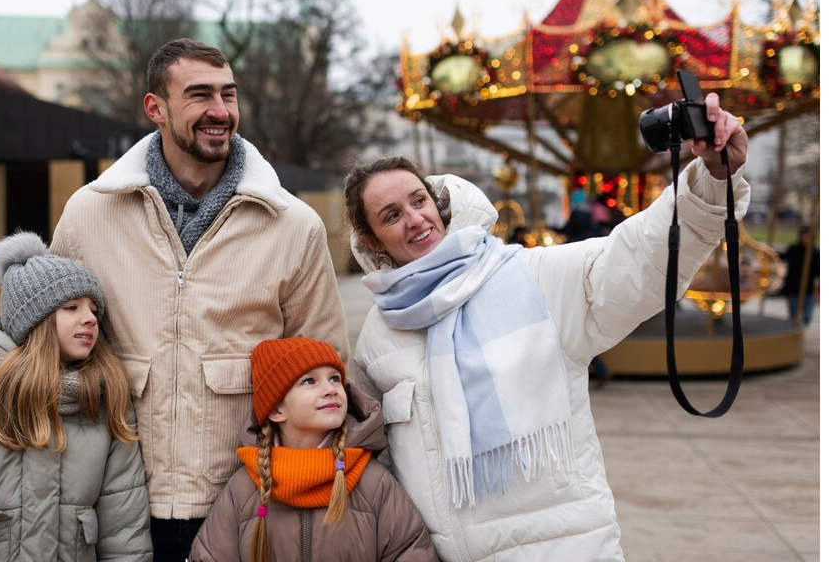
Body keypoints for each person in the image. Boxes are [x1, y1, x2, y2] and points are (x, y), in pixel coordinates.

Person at [0, 39, 348, 560]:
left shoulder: (294, 224)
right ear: (155, 108)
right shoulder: (91, 210)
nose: (220, 112)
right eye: (199, 95)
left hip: (244, 500)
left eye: (229, 95)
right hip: (113, 500)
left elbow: (327, 360)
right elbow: (32, 320)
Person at [343, 94, 749, 560]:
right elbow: (381, 463)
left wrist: (713, 180)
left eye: (419, 201)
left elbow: (637, 255)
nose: (415, 220)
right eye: (392, 215)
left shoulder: (532, 276)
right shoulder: (379, 332)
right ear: (372, 240)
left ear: (439, 204)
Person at [0, 232, 152, 561]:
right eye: (71, 307)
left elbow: (124, 529)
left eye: (93, 309)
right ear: (37, 321)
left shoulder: (107, 404)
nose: (90, 318)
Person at [189, 337, 437, 562]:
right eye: (309, 381)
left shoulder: (371, 482)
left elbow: (411, 550)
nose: (330, 388)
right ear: (276, 410)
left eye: (335, 378)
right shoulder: (244, 489)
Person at [781, 226, 820, 325]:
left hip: (808, 289)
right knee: (793, 316)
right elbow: (783, 257)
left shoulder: (815, 253)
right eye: (804, 236)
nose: (805, 239)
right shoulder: (794, 249)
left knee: (807, 317)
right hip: (793, 287)